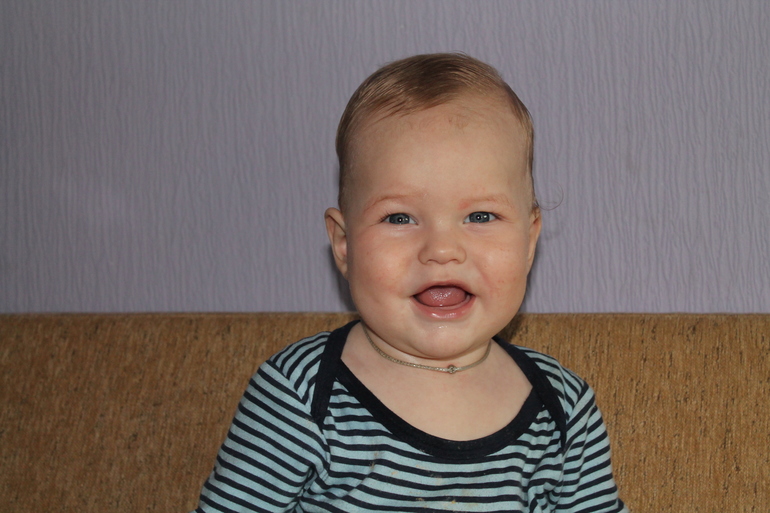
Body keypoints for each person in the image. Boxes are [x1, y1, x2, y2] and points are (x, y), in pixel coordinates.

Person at [192, 53, 627, 512]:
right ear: (344, 244)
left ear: (529, 240)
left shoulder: (561, 408)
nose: (442, 249)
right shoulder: (303, 393)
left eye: (481, 216)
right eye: (399, 218)